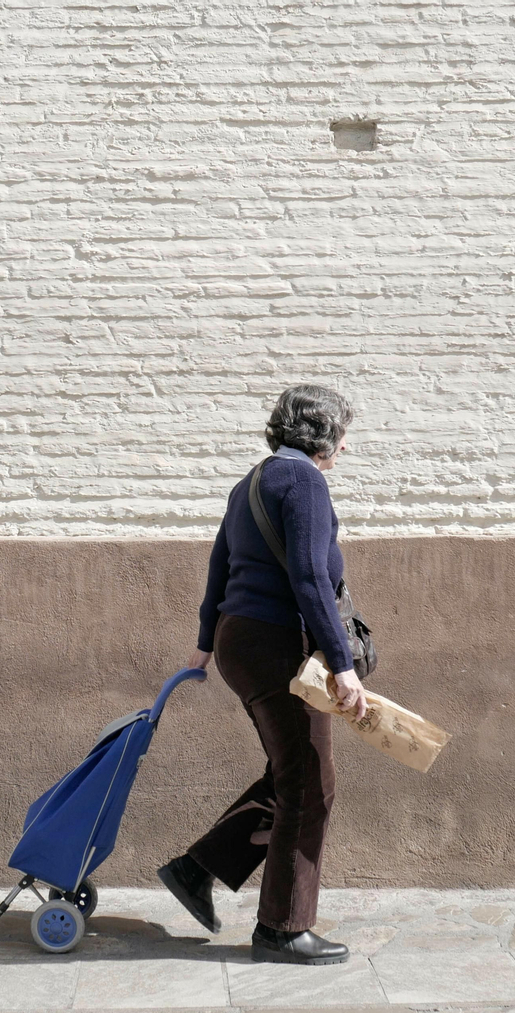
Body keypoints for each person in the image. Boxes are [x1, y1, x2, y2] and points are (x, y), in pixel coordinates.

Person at [157, 384, 367, 965]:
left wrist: (205, 642)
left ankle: (197, 869)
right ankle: (281, 928)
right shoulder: (303, 482)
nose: (345, 447)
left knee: (291, 771)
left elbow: (219, 564)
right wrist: (343, 666)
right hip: (276, 643)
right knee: (309, 784)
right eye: (342, 434)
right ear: (320, 435)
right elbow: (309, 579)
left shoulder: (250, 481)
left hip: (239, 638)